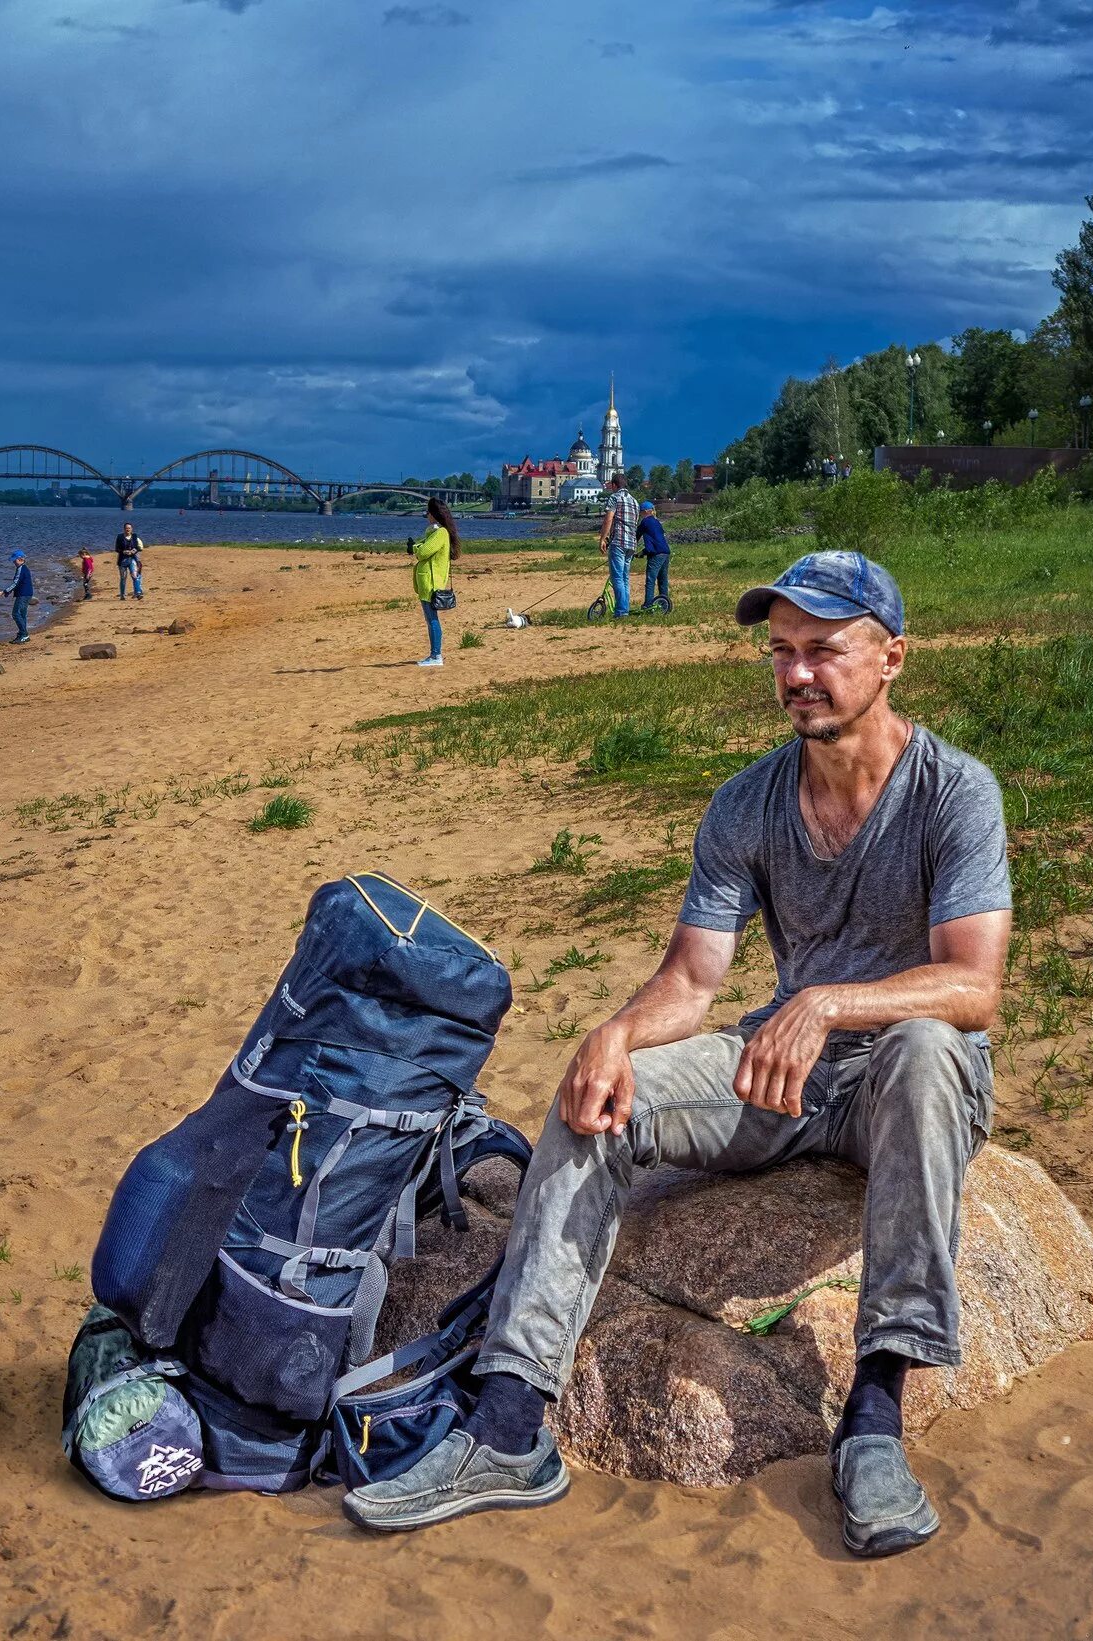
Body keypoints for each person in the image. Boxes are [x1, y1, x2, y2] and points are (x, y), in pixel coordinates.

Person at [344, 550, 1011, 1560]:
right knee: (596, 1098)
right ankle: (509, 1426)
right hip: (782, 1077)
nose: (796, 675)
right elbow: (693, 982)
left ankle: (873, 1417)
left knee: (922, 1045)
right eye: (780, 652)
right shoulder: (746, 803)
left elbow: (974, 986)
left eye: (824, 650)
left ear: (890, 659)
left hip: (900, 1078)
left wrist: (827, 1001)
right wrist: (612, 1034)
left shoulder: (954, 793)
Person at [410, 496, 460, 667]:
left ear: (433, 514)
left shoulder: (440, 533)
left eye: (427, 512)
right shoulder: (438, 532)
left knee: (432, 620)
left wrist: (415, 547)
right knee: (430, 619)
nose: (427, 516)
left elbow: (423, 552)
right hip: (428, 583)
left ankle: (436, 655)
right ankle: (434, 655)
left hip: (431, 584)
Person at [597, 473, 641, 618]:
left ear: (615, 485)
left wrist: (603, 538)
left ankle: (621, 612)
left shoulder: (615, 498)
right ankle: (625, 609)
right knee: (625, 577)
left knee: (617, 577)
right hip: (631, 544)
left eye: (611, 486)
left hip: (619, 543)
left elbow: (608, 519)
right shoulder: (635, 501)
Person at [637, 499, 671, 612]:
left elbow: (636, 537)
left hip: (656, 554)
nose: (640, 514)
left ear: (646, 511)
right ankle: (664, 605)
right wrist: (643, 552)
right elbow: (656, 540)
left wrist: (629, 550)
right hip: (665, 553)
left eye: (641, 512)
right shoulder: (657, 522)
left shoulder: (645, 522)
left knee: (650, 580)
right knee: (663, 580)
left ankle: (648, 605)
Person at [5, 552, 34, 644]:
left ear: (21, 559)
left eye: (15, 560)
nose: (14, 562)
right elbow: (18, 583)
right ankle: (23, 634)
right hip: (26, 594)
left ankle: (24, 634)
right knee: (22, 615)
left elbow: (16, 582)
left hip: (23, 595)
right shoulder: (22, 568)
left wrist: (5, 591)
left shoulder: (21, 569)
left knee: (16, 614)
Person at [114, 524, 145, 600]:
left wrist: (133, 551)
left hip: (132, 559)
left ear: (132, 529)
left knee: (135, 575)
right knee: (123, 578)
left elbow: (138, 547)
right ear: (124, 529)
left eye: (129, 528)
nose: (128, 529)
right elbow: (117, 549)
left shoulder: (134, 536)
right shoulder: (120, 537)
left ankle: (138, 593)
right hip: (122, 560)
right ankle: (122, 595)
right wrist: (123, 551)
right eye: (126, 528)